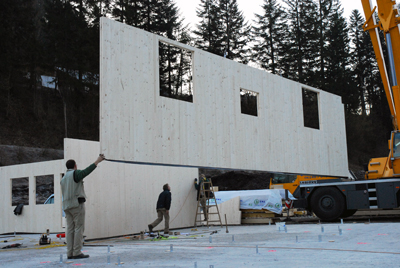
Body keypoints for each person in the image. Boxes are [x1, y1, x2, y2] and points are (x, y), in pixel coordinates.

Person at [60, 154, 105, 259]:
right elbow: (86, 171)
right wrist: (97, 161)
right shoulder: (75, 174)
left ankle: (69, 253)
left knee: (70, 229)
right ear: (75, 166)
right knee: (79, 228)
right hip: (76, 204)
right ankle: (77, 252)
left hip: (66, 206)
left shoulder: (63, 178)